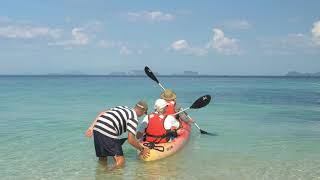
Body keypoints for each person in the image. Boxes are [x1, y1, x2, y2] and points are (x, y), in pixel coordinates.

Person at [85, 101, 150, 170]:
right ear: (142, 111)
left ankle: (101, 175)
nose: (142, 115)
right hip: (108, 130)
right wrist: (142, 149)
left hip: (97, 128)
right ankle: (109, 176)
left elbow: (103, 113)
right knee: (121, 162)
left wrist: (91, 127)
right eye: (144, 113)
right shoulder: (134, 118)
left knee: (103, 158)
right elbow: (131, 140)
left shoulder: (122, 107)